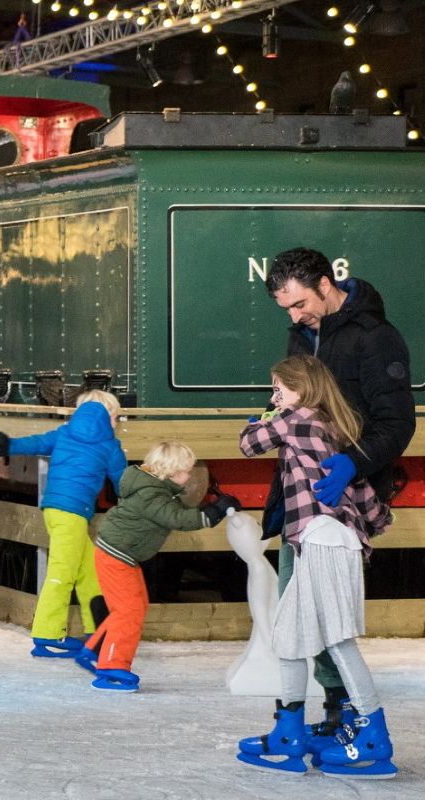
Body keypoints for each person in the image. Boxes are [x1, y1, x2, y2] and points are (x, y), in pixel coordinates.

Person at [262, 247, 415, 743]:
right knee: (294, 607)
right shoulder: (302, 333)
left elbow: (397, 422)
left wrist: (354, 462)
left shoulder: (375, 339)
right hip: (299, 496)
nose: (294, 315)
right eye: (286, 307)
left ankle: (344, 709)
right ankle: (319, 711)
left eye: (300, 303)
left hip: (344, 498)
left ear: (326, 284)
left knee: (326, 612)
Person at [236, 355, 395, 778]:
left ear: (302, 389)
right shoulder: (332, 426)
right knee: (288, 637)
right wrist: (374, 520)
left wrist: (261, 419)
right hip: (322, 538)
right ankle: (288, 734)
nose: (275, 397)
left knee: (337, 639)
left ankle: (373, 737)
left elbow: (249, 444)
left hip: (323, 538)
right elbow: (361, 492)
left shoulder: (297, 418)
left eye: (279, 389)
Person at [80, 442, 241, 691]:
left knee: (135, 606)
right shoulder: (151, 494)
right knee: (128, 611)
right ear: (172, 472)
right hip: (116, 555)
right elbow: (177, 517)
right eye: (187, 471)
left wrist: (212, 507)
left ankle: (94, 650)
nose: (189, 476)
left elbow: (176, 510)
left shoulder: (154, 487)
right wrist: (212, 513)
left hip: (121, 554)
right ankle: (111, 667)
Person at [0, 390, 125, 658]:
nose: (117, 423)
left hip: (53, 508)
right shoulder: (110, 445)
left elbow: (38, 442)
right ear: (110, 414)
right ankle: (47, 634)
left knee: (89, 572)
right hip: (73, 513)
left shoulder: (65, 432)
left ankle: (96, 632)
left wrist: (9, 445)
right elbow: (123, 482)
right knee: (62, 573)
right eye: (117, 418)